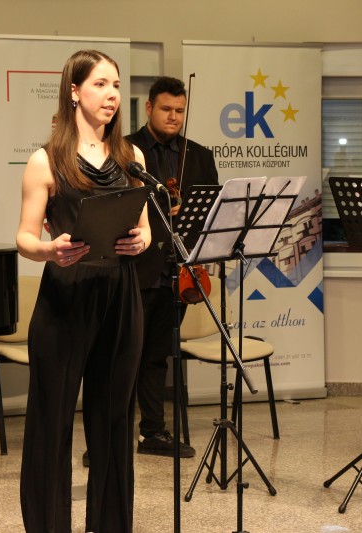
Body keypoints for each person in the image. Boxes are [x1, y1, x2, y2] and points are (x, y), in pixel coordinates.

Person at [16, 49, 151, 532]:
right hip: (66, 296)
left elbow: (145, 227)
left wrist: (142, 240)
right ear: (74, 91)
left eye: (116, 84)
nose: (112, 94)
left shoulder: (132, 157)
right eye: (100, 84)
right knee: (52, 422)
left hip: (120, 293)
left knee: (114, 421)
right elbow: (24, 237)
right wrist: (50, 250)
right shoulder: (45, 160)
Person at [126, 76, 219, 457]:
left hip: (178, 271)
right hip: (134, 268)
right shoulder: (125, 149)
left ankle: (153, 432)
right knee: (122, 356)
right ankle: (110, 436)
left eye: (180, 111)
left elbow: (210, 212)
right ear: (149, 108)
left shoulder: (199, 156)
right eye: (166, 109)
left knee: (156, 355)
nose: (173, 117)